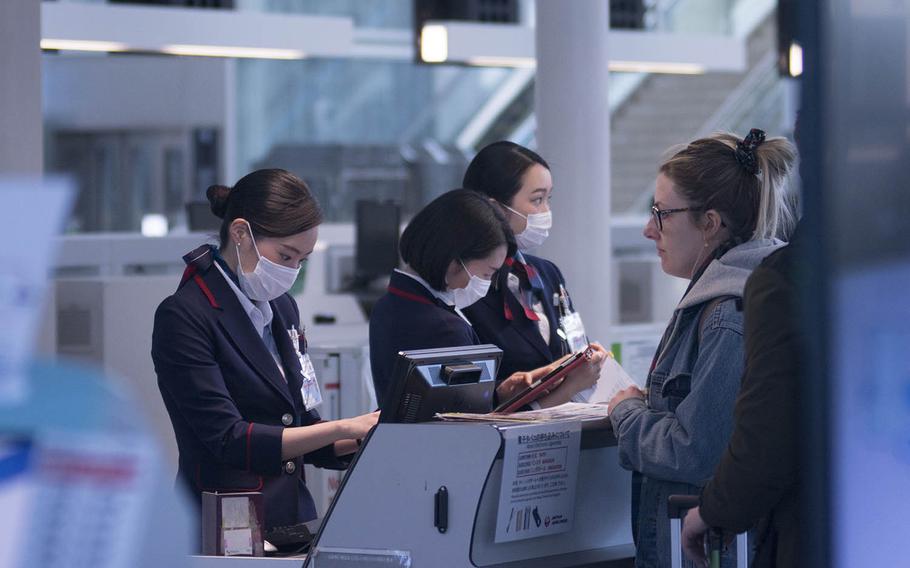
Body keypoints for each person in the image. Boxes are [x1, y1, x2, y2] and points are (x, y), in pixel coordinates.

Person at [607, 129, 797, 567]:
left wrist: (625, 412)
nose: (648, 229)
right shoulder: (734, 296)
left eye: (661, 213)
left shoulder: (729, 313)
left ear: (710, 223)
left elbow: (695, 451)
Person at [152, 169, 379, 531]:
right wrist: (342, 426)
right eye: (286, 256)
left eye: (301, 261)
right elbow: (229, 438)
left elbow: (302, 430)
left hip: (290, 521)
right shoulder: (185, 315)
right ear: (241, 233)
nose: (292, 271)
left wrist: (369, 434)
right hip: (225, 523)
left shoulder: (282, 308)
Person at [369, 189, 604, 409]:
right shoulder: (443, 327)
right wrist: (572, 386)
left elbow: (444, 403)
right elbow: (480, 428)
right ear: (454, 262)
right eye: (487, 274)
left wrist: (503, 390)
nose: (487, 283)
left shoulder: (393, 304)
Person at [461, 141, 606, 402]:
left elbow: (571, 341)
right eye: (537, 200)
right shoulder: (468, 284)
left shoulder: (546, 273)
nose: (546, 212)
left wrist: (586, 360)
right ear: (495, 209)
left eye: (548, 199)